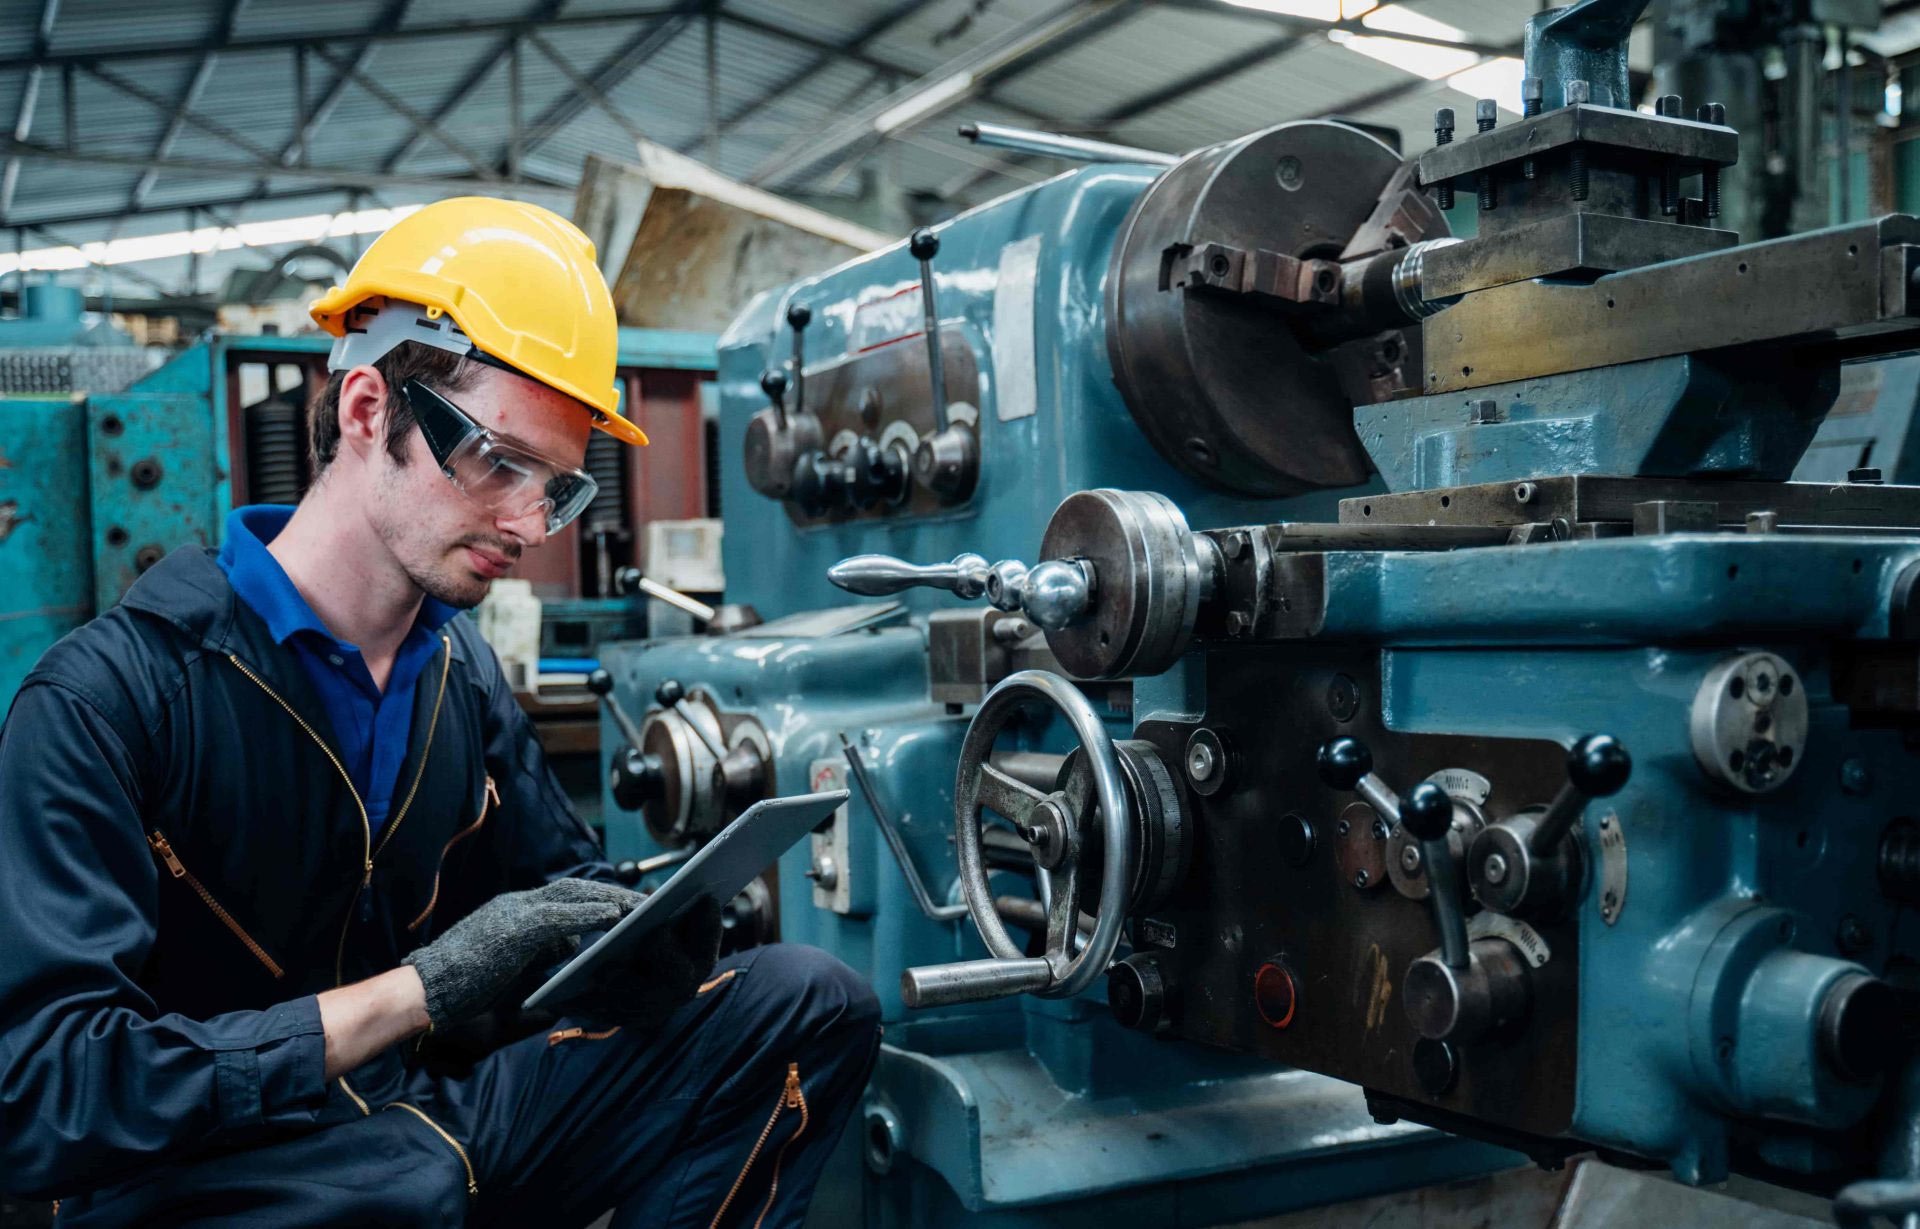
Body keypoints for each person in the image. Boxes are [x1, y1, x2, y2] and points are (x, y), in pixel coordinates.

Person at [0, 197, 879, 1228]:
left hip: (429, 1122)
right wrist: (419, 989)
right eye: (499, 460)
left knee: (807, 1001)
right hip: (216, 1166)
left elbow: (557, 891)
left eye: (556, 489)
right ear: (369, 408)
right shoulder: (106, 703)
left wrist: (639, 942)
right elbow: (38, 1093)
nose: (526, 524)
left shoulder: (456, 671)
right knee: (403, 1195)